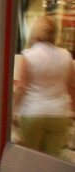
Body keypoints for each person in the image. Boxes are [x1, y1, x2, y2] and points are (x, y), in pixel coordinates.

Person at [12, 16, 75, 157]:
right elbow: (72, 87)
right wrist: (73, 112)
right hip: (59, 114)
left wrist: (14, 110)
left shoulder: (29, 55)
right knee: (52, 161)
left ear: (35, 32)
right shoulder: (66, 56)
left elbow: (22, 87)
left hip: (33, 113)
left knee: (31, 158)